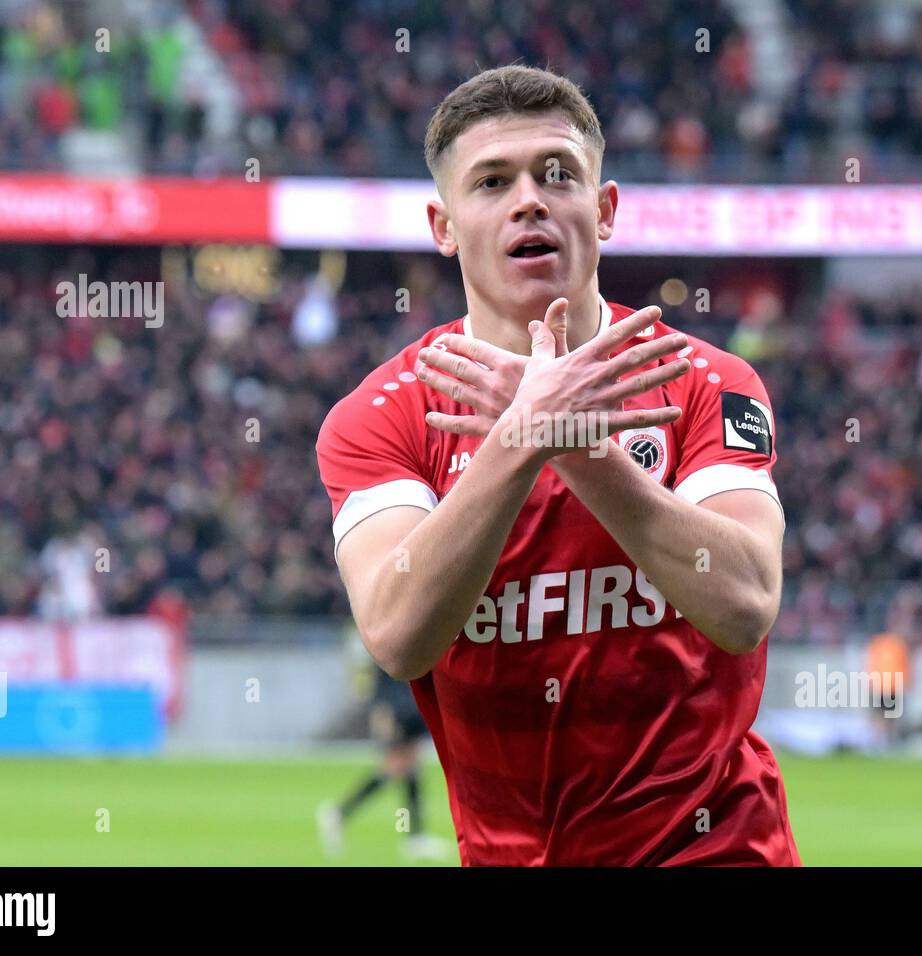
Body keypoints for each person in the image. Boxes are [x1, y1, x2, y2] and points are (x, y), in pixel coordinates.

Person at [315, 65, 798, 865]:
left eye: (557, 174)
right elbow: (398, 633)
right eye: (493, 181)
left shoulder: (706, 382)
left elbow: (746, 601)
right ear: (444, 225)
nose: (529, 199)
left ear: (603, 210)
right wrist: (520, 438)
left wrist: (575, 442)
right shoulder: (381, 416)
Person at [316, 665, 452, 861]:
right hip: (398, 708)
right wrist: (383, 712)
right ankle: (339, 813)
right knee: (397, 766)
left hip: (407, 704)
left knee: (410, 767)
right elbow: (385, 673)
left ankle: (414, 836)